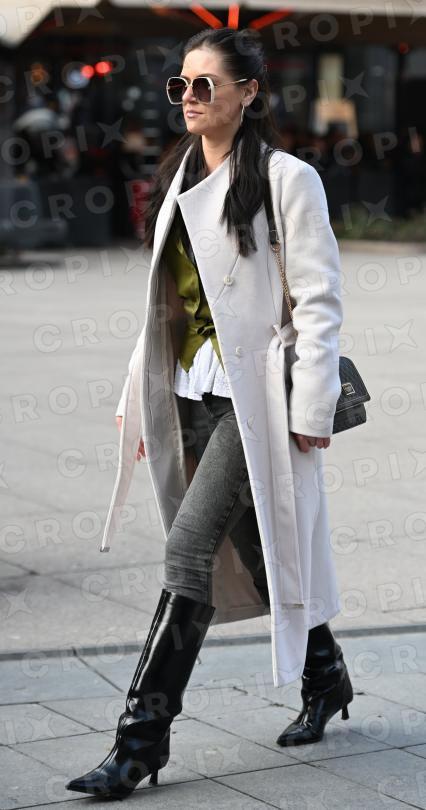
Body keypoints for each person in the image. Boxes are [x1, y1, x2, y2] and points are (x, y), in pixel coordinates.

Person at [66, 27, 353, 800]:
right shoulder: (180, 175)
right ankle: (326, 674)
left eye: (205, 85)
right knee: (255, 546)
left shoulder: (288, 179)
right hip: (189, 389)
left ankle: (139, 741)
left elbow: (319, 301)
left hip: (254, 398)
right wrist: (136, 401)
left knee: (189, 550)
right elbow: (164, 304)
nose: (188, 98)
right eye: (180, 86)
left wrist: (313, 404)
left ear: (248, 92)